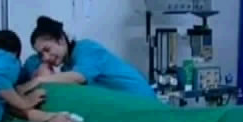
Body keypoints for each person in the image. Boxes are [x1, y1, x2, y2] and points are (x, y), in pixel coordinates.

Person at [18, 16, 156, 98]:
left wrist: (38, 80)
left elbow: (79, 77)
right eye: (41, 54)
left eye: (47, 50)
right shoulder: (68, 67)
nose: (45, 57)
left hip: (141, 100)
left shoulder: (86, 49)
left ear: (60, 40)